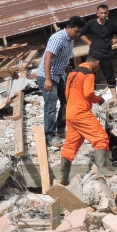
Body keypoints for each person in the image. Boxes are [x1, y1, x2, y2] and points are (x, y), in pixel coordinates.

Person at [59, 55, 117, 184]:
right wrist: (99, 99)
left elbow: (66, 94)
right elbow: (88, 94)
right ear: (97, 62)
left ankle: (63, 178)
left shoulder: (72, 73)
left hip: (70, 113)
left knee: (70, 145)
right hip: (81, 113)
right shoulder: (89, 74)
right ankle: (103, 168)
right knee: (101, 138)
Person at [36, 16, 85, 146]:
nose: (78, 34)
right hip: (47, 76)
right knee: (51, 106)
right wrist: (48, 79)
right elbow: (47, 58)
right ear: (68, 27)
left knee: (67, 100)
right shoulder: (58, 38)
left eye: (79, 32)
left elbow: (65, 60)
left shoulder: (70, 40)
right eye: (76, 31)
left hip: (60, 75)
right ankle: (50, 136)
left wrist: (69, 76)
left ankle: (60, 129)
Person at [80, 4, 117, 105]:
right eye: (102, 13)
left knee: (110, 76)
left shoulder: (111, 24)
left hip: (106, 53)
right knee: (87, 72)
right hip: (94, 53)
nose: (103, 15)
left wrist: (112, 42)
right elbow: (81, 34)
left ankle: (115, 98)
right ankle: (84, 96)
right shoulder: (91, 23)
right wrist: (89, 42)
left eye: (105, 13)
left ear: (108, 13)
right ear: (97, 14)